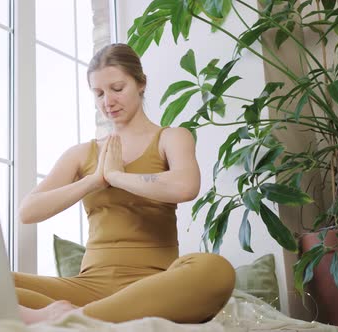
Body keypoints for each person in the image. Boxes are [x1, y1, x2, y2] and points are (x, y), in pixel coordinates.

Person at [14, 43, 235, 325]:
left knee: (215, 270)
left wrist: (118, 177)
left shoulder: (172, 137)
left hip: (155, 286)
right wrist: (94, 180)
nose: (108, 101)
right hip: (88, 289)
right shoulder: (82, 154)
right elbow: (28, 211)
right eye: (99, 93)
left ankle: (72, 321)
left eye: (117, 88)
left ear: (141, 83)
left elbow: (184, 186)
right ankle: (67, 318)